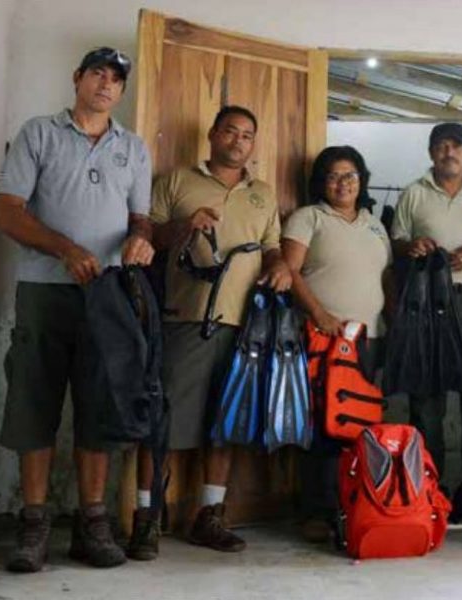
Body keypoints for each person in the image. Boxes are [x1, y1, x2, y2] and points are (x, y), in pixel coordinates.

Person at [0, 47, 153, 572]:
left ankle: (92, 523)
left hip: (107, 297)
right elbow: (7, 212)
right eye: (98, 75)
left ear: (122, 92)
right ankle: (34, 523)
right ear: (78, 79)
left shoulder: (133, 148)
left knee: (100, 405)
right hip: (43, 290)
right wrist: (64, 248)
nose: (106, 85)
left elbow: (141, 219)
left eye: (116, 80)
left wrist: (139, 241)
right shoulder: (39, 134)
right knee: (33, 400)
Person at [143, 105, 292, 555]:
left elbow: (271, 249)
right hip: (184, 318)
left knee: (226, 425)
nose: (239, 141)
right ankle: (147, 518)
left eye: (248, 135)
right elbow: (148, 239)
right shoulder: (176, 181)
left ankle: (209, 517)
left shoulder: (262, 194)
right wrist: (185, 226)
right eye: (231, 131)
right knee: (163, 422)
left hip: (247, 327)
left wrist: (281, 266)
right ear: (212, 134)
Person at [391, 123, 462, 519]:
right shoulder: (413, 192)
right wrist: (412, 247)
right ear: (431, 153)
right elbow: (396, 242)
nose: (448, 152)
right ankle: (429, 490)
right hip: (427, 305)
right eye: (440, 146)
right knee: (426, 398)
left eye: (456, 146)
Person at [281, 145, 391, 542]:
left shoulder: (376, 224)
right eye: (333, 176)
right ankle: (316, 511)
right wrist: (319, 315)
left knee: (362, 424)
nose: (342, 183)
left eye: (350, 176)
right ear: (320, 183)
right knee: (325, 425)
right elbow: (289, 271)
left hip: (371, 338)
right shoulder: (308, 217)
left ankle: (353, 505)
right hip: (325, 338)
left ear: (361, 181)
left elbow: (385, 280)